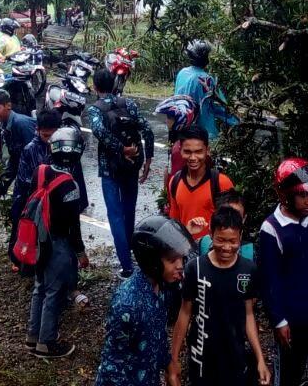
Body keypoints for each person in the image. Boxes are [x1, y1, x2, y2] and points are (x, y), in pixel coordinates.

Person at [169, 206, 271, 386]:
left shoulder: (248, 270)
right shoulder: (195, 268)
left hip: (235, 355)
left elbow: (248, 314)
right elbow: (184, 313)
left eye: (232, 241)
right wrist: (174, 359)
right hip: (201, 357)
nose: (226, 247)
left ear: (240, 237)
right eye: (220, 240)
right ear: (210, 234)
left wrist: (260, 359)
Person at [258, 157, 308, 386]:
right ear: (284, 196)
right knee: (291, 372)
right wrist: (279, 320)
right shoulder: (272, 229)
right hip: (293, 318)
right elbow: (270, 280)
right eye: (303, 196)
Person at [94, 215, 194, 386]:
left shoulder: (162, 286)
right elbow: (113, 365)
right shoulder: (127, 305)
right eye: (172, 260)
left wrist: (170, 366)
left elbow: (158, 336)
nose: (180, 266)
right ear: (152, 261)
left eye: (181, 259)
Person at [25, 126, 91, 359]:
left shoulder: (40, 171)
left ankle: (33, 336)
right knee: (54, 293)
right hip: (58, 243)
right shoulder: (70, 186)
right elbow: (74, 226)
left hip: (38, 239)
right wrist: (81, 253)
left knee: (39, 287)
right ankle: (47, 343)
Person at [84, 67, 155, 277]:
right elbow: (148, 130)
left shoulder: (95, 109)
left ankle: (126, 265)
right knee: (129, 210)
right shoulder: (129, 104)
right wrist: (148, 159)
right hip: (132, 165)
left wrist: (119, 148)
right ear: (114, 84)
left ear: (95, 87)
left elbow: (98, 131)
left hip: (110, 169)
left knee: (115, 215)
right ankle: (131, 253)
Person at [1, 107, 60, 272]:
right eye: (45, 136)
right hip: (30, 197)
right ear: (38, 130)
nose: (49, 140)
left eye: (52, 136)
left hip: (50, 197)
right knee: (25, 229)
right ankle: (19, 257)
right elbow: (27, 180)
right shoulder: (30, 149)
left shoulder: (61, 146)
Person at [167, 124, 234, 242]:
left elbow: (232, 224)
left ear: (207, 151)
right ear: (180, 150)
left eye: (198, 152)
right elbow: (175, 225)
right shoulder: (175, 182)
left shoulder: (222, 183)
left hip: (213, 252)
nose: (193, 157)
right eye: (187, 152)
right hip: (186, 249)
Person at [173, 40, 237, 141]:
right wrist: (235, 120)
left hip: (179, 125)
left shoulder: (182, 73)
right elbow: (219, 105)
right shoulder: (205, 79)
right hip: (202, 131)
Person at [155, 94, 199, 189]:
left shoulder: (180, 148)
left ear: (180, 119)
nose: (166, 121)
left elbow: (176, 178)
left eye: (169, 118)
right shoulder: (188, 140)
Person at [200, 190, 255, 261]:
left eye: (236, 215)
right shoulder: (201, 244)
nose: (230, 218)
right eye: (224, 214)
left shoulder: (251, 251)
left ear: (244, 218)